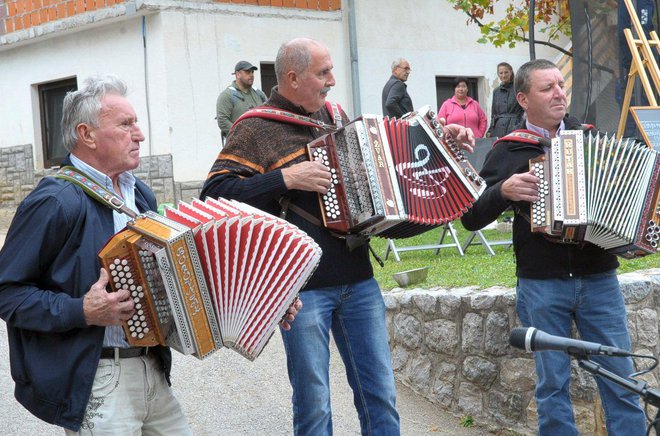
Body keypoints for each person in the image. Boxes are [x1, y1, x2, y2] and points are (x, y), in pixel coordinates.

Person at [201, 37, 475, 436]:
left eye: (331, 70)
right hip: (300, 287)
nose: (332, 80)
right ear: (292, 78)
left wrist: (440, 139)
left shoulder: (334, 115)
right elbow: (214, 194)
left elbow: (388, 166)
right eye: (323, 72)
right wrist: (285, 178)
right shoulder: (256, 127)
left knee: (380, 395)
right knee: (314, 404)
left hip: (359, 278)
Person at [0, 75, 302, 434]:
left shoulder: (139, 195)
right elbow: (8, 293)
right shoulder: (54, 201)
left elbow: (183, 274)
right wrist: (81, 310)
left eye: (136, 123)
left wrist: (264, 300)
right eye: (126, 124)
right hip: (97, 375)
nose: (139, 134)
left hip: (152, 368)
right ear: (87, 134)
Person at [461, 59, 646, 436]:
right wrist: (503, 190)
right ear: (524, 99)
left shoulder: (592, 139)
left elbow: (623, 192)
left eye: (561, 85)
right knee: (552, 386)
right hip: (542, 283)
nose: (560, 93)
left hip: (599, 279)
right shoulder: (508, 151)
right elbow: (471, 216)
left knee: (622, 379)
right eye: (548, 88)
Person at [216, 60, 268, 139]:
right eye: (247, 72)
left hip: (261, 143)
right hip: (239, 145)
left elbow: (268, 113)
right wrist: (242, 135)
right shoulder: (227, 95)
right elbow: (222, 120)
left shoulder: (259, 94)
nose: (251, 75)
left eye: (252, 72)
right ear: (238, 74)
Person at [486, 62, 523, 138]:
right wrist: (490, 130)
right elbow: (494, 114)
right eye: (501, 73)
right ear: (498, 74)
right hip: (498, 129)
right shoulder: (496, 91)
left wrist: (520, 125)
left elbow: (525, 109)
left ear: (511, 72)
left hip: (515, 128)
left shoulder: (518, 88)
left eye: (506, 72)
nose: (503, 75)